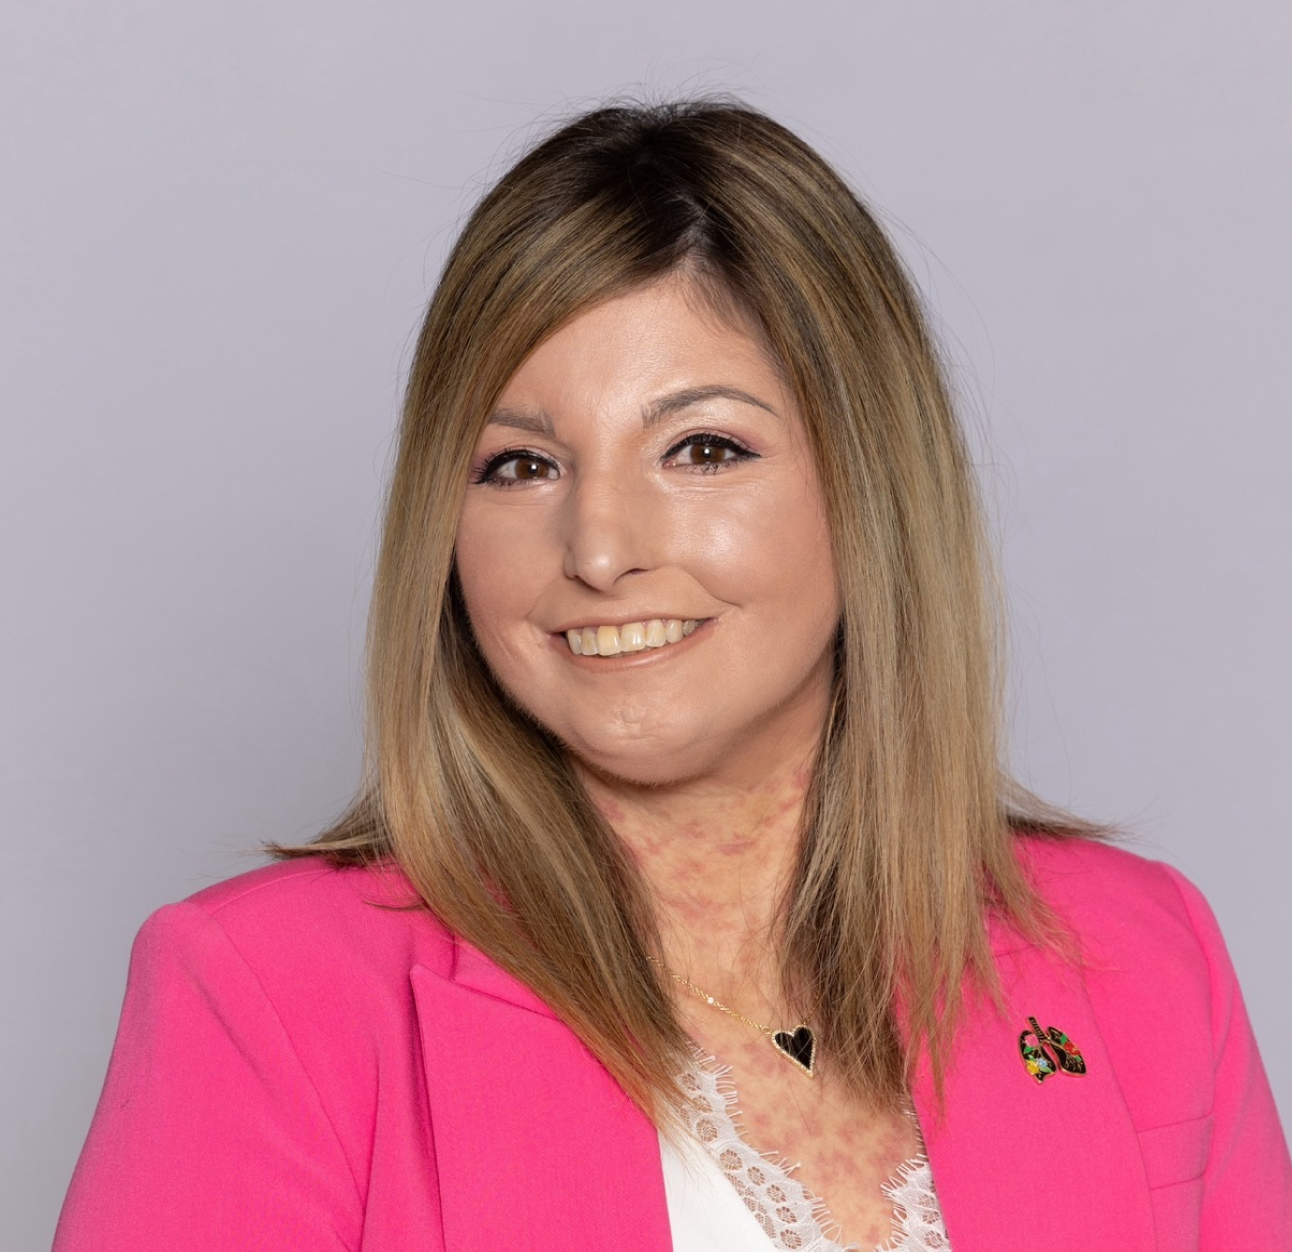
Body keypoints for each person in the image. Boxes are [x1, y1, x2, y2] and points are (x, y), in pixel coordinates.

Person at [53, 98, 1290, 1251]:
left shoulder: (1138, 952)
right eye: (519, 466)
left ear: (869, 490)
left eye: (701, 449)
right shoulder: (264, 998)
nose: (597, 550)